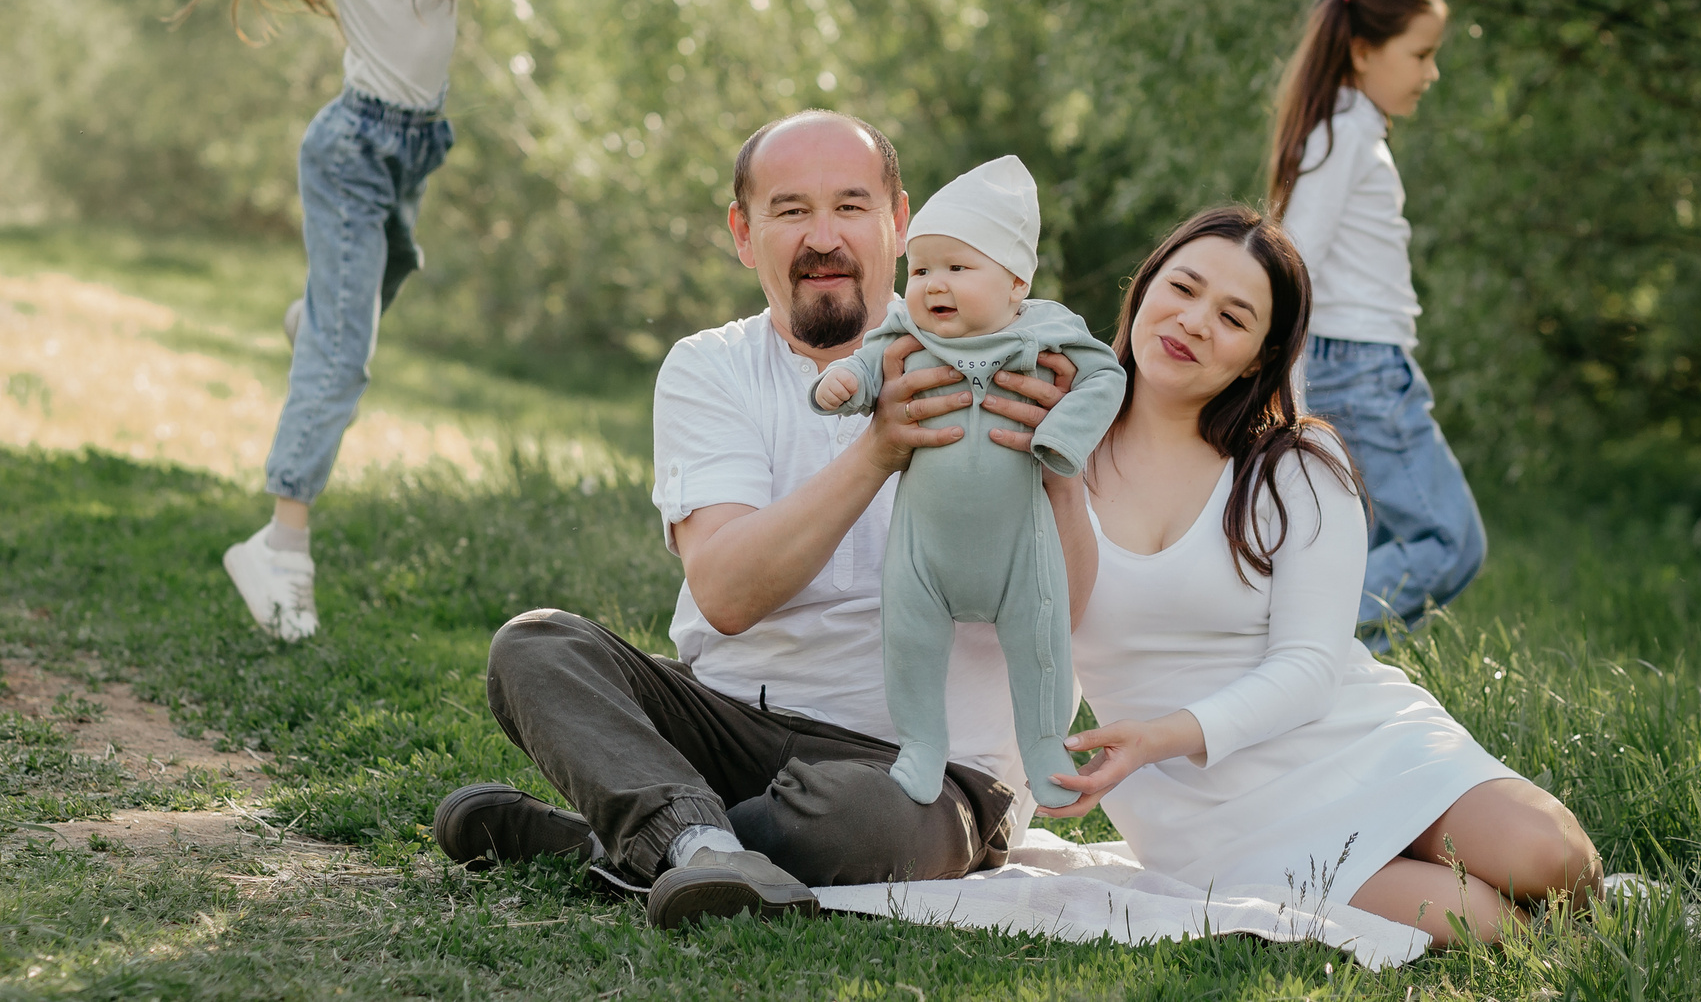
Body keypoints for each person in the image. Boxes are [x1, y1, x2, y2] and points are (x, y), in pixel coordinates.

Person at [429, 112, 1085, 928]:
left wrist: (1059, 468)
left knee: (854, 819)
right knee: (536, 644)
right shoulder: (710, 367)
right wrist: (877, 450)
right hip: (733, 728)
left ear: (900, 222)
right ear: (744, 233)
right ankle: (699, 847)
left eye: (850, 206)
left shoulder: (1016, 365)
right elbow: (729, 594)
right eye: (789, 210)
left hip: (925, 773)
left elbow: (1069, 605)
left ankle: (620, 841)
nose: (823, 237)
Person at [89, 0, 550, 641]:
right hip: (349, 149)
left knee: (391, 278)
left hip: (411, 151)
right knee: (348, 356)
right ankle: (279, 545)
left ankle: (315, 316)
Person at [1042, 206, 1600, 948]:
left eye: (1233, 316)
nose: (1196, 320)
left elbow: (1309, 667)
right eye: (1183, 287)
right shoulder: (1048, 454)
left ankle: (1470, 855)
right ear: (1144, 290)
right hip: (1212, 817)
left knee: (1554, 858)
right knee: (1496, 929)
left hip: (1357, 745)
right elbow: (1013, 628)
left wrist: (1157, 735)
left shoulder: (1296, 466)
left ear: (1256, 357)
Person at [809, 154, 1124, 808]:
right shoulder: (907, 335)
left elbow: (1107, 379)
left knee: (1042, 648)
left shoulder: (1050, 333)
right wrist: (846, 383)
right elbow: (869, 366)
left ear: (1015, 283)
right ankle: (921, 744)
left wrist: (1064, 435)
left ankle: (1043, 750)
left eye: (957, 266)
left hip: (1019, 550)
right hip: (924, 551)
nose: (932, 284)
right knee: (909, 641)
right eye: (920, 268)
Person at [1268, 0, 1486, 635]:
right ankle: (1291, 643)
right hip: (1360, 370)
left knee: (1350, 544)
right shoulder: (1345, 136)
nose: (1432, 72)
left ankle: (1326, 679)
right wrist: (1287, 396)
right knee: (1449, 543)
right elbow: (1291, 261)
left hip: (1364, 366)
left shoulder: (1348, 132)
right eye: (1420, 53)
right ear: (1363, 50)